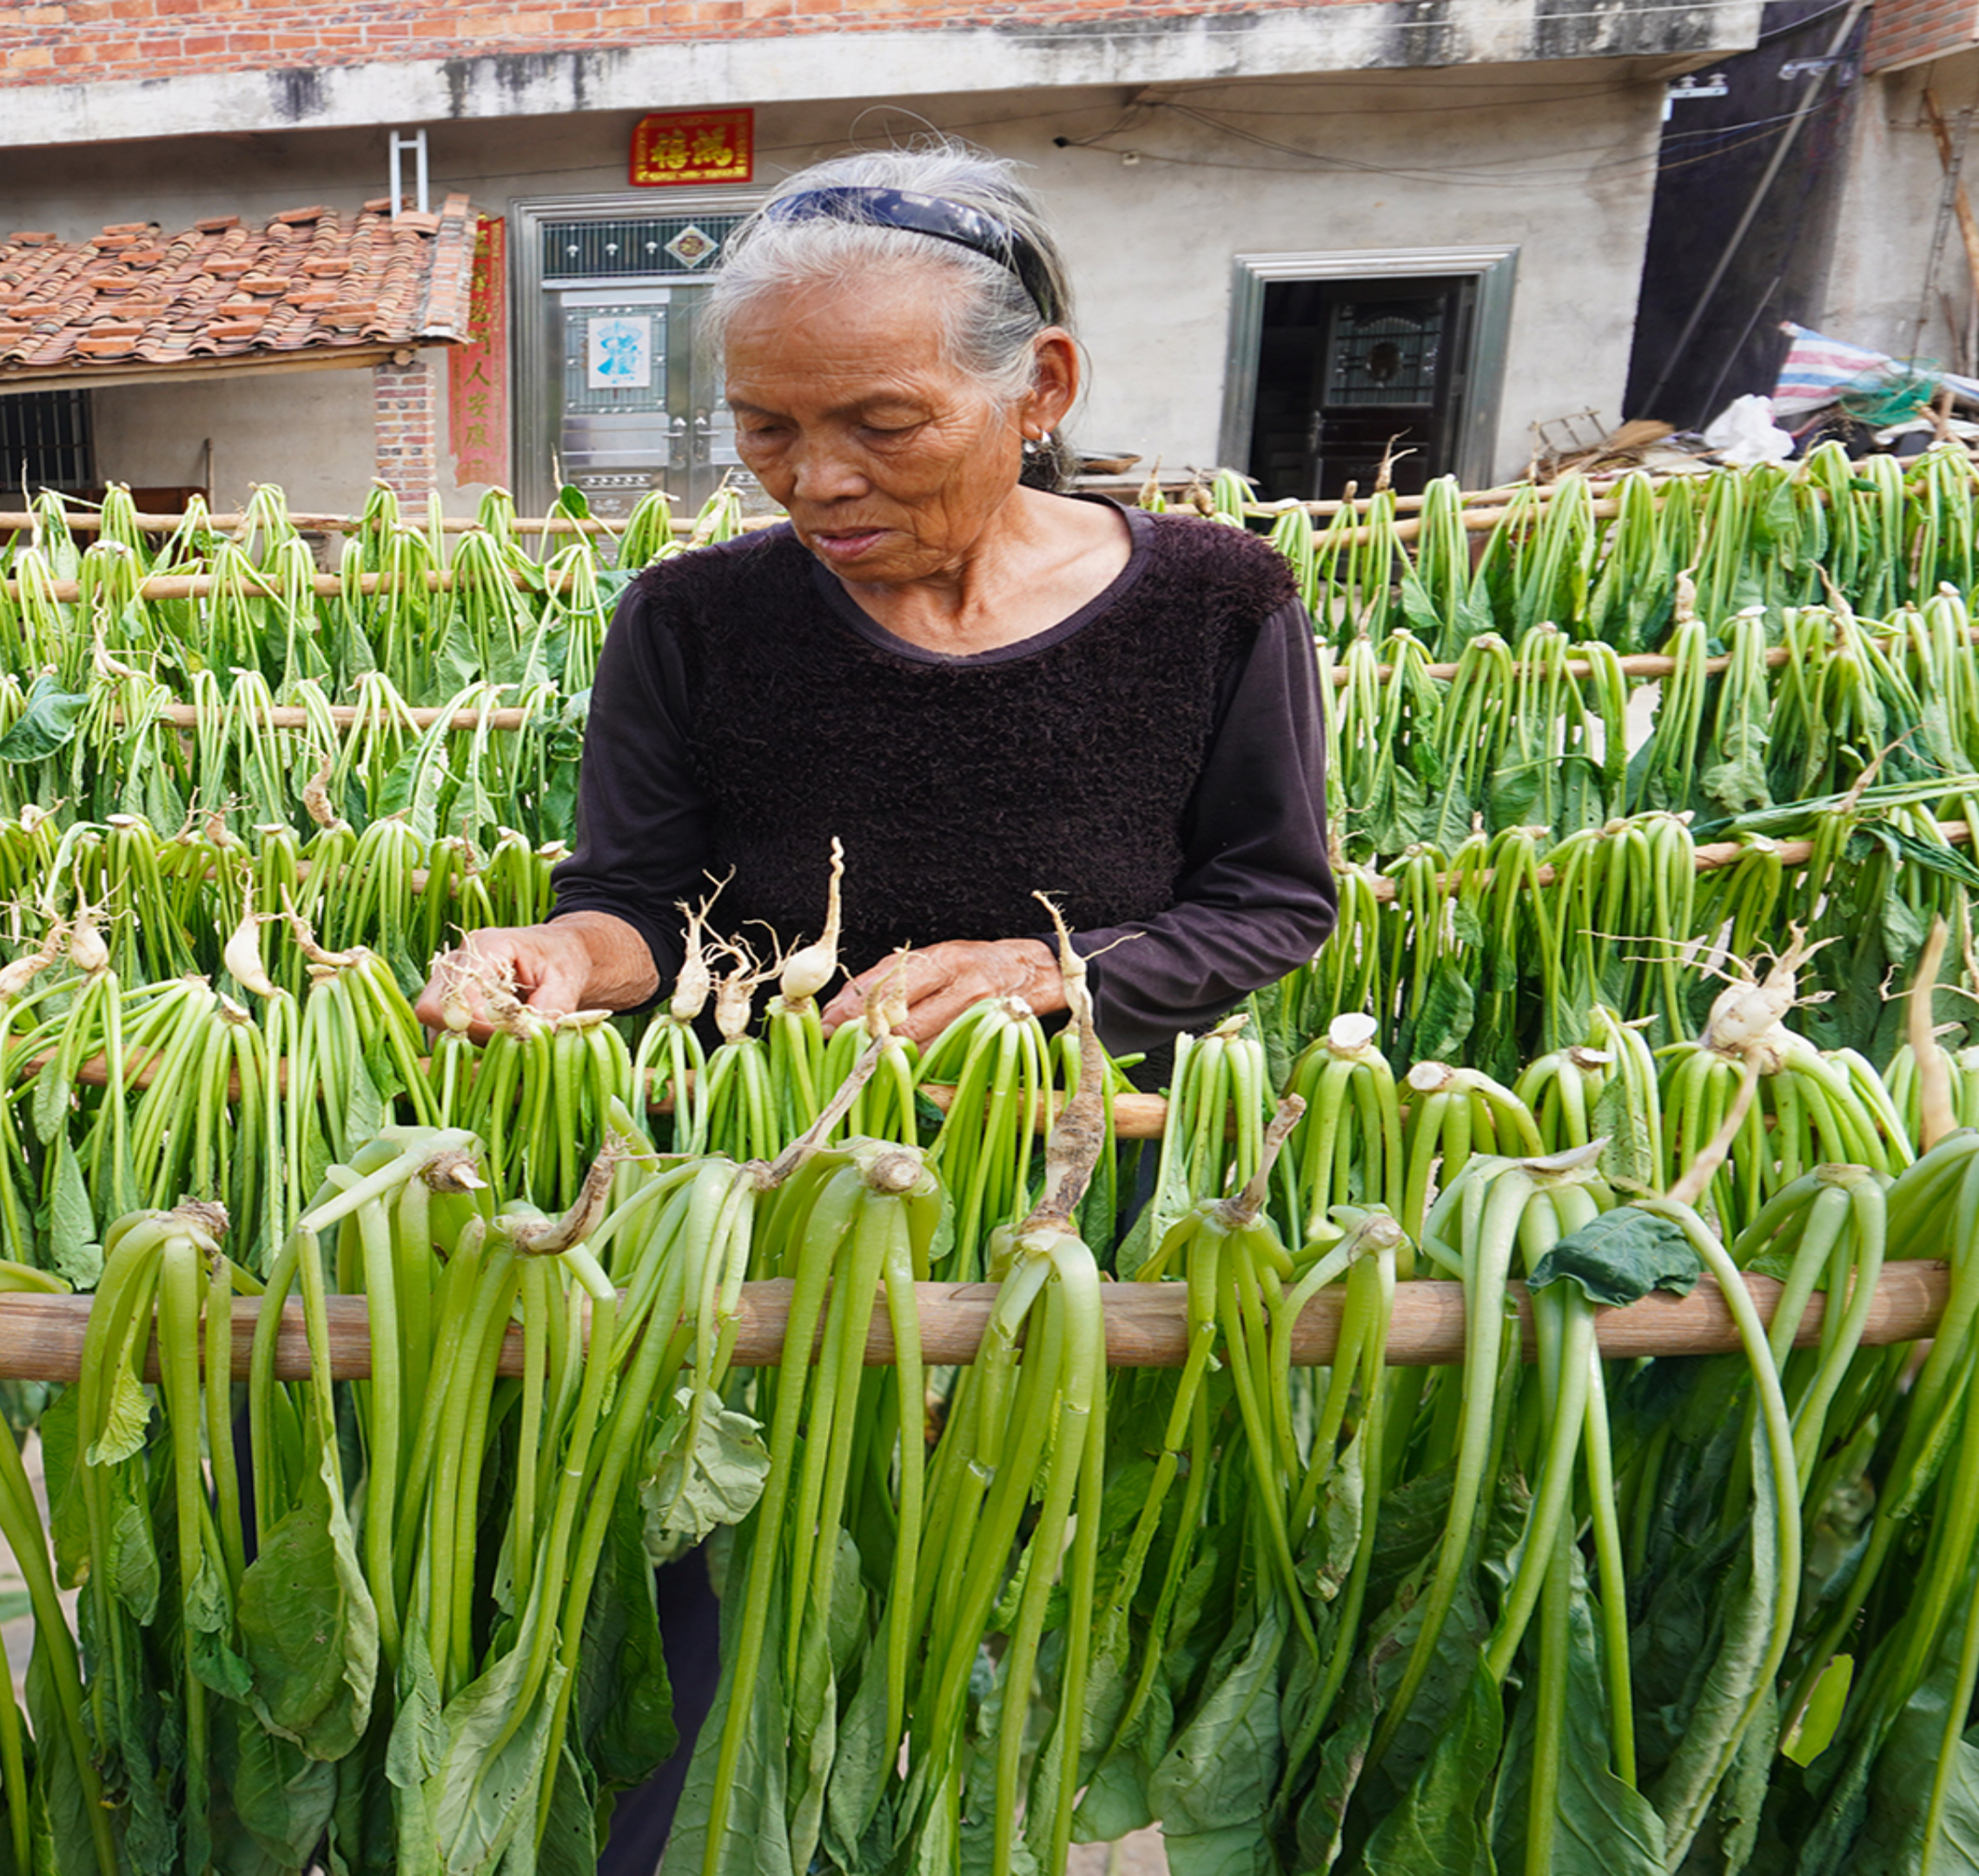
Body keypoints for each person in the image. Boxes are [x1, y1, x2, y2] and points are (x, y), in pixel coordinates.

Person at [412, 141, 1337, 1868]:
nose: (812, 477)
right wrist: (560, 961)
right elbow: (637, 905)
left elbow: (1273, 899)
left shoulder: (1216, 603)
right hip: (748, 1214)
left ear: (1038, 385)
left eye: (880, 425)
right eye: (765, 429)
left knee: (998, 1639)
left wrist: (1064, 974)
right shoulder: (691, 620)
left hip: (1078, 1208)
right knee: (707, 1651)